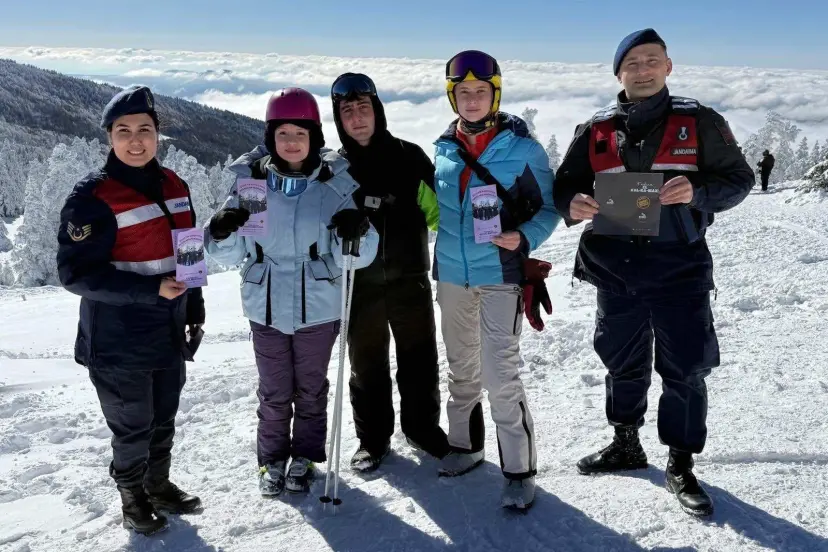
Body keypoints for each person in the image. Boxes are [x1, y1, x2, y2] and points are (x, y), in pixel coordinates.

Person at [553, 29, 754, 517]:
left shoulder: (700, 121)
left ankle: (681, 463)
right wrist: (571, 203)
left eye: (651, 61)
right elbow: (565, 184)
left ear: (668, 66)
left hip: (678, 266)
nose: (642, 70)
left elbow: (739, 179)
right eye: (632, 64)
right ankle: (625, 443)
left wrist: (697, 192)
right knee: (620, 358)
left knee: (685, 365)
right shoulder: (596, 128)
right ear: (618, 73)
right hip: (614, 267)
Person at [204, 88, 379, 497]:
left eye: (301, 133)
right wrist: (222, 230)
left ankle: (305, 456)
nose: (292, 142)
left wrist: (356, 230)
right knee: (274, 391)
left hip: (319, 306)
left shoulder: (335, 186)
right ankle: (271, 460)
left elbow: (360, 257)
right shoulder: (250, 186)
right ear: (271, 137)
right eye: (283, 133)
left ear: (314, 137)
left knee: (311, 389)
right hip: (265, 306)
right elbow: (228, 254)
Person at [57, 85, 204, 535]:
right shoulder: (93, 196)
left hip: (168, 326)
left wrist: (194, 310)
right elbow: (75, 275)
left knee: (164, 416)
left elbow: (188, 253)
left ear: (158, 134)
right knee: (133, 425)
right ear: (109, 137)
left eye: (145, 129)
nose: (135, 140)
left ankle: (157, 484)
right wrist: (150, 290)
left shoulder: (175, 184)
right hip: (117, 336)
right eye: (124, 131)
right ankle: (132, 499)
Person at [432, 50, 559, 510]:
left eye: (480, 91)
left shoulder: (523, 150)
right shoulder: (442, 149)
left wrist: (524, 237)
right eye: (463, 92)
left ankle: (519, 470)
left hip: (500, 276)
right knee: (461, 368)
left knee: (500, 374)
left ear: (495, 94)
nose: (472, 100)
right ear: (453, 97)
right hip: (451, 276)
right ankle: (466, 446)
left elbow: (550, 208)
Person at [329, 72, 449, 472]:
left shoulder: (409, 157)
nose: (357, 117)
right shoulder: (333, 169)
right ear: (339, 119)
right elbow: (317, 226)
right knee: (366, 366)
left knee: (419, 360)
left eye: (363, 108)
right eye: (347, 111)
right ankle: (373, 439)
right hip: (358, 284)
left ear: (377, 110)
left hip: (409, 279)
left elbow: (440, 216)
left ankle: (422, 429)